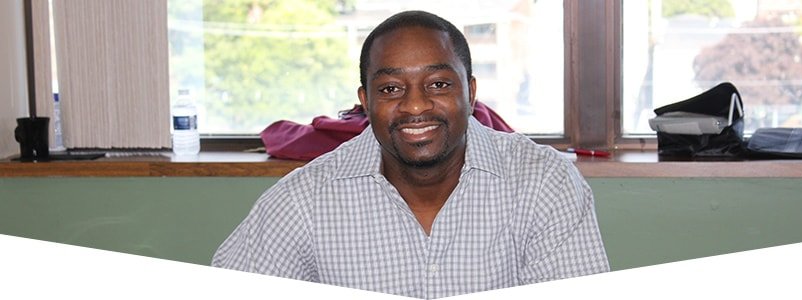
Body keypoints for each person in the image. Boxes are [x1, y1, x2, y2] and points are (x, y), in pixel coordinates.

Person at [212, 10, 610, 299]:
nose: (415, 106)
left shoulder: (543, 182)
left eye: (437, 84)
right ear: (365, 102)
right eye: (390, 89)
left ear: (470, 93)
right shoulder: (305, 199)